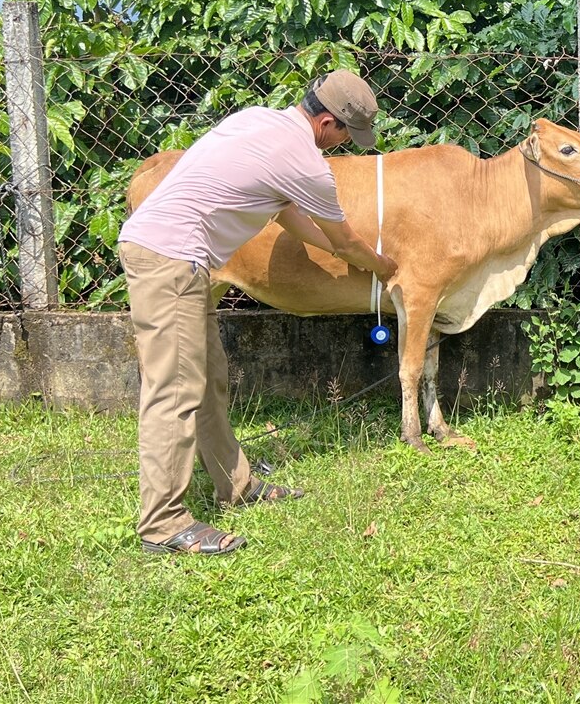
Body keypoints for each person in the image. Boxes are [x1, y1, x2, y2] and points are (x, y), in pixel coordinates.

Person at [117, 70, 396, 556]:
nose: (344, 145)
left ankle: (236, 484)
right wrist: (382, 264)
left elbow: (292, 216)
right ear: (327, 122)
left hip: (172, 255)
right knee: (174, 390)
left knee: (208, 379)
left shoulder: (260, 122)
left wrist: (345, 251)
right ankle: (163, 523)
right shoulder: (303, 161)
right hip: (171, 260)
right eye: (346, 135)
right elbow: (344, 238)